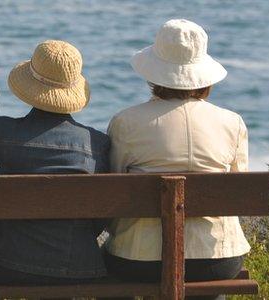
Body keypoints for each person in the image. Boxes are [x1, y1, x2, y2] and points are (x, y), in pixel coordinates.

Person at [104, 19, 250, 295]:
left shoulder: (126, 122)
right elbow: (236, 195)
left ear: (154, 74)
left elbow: (113, 193)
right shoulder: (233, 123)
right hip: (217, 258)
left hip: (140, 258)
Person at [0, 40, 110, 285]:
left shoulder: (3, 133)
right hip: (75, 270)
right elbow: (102, 215)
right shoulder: (97, 144)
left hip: (2, 266)